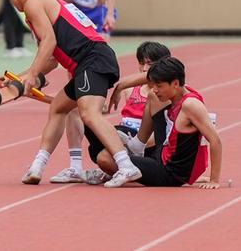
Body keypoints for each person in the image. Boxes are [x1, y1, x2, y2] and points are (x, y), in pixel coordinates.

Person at [3, 0, 142, 188]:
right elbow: (52, 58)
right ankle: (41, 167)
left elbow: (49, 42)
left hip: (93, 59)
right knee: (59, 107)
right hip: (88, 62)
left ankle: (126, 165)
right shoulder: (45, 1)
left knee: (89, 114)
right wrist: (22, 77)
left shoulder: (32, 3)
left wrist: (32, 75)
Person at [44, 0, 124, 183]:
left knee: (97, 67)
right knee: (77, 90)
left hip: (98, 21)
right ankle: (78, 153)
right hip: (77, 22)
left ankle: (99, 103)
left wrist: (109, 8)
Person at [86, 57, 223, 188]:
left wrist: (214, 179)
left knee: (104, 158)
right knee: (152, 97)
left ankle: (129, 168)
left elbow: (215, 140)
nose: (155, 89)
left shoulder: (191, 105)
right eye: (153, 85)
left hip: (170, 172)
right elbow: (148, 80)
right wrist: (120, 86)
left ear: (175, 83)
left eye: (159, 86)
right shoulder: (178, 91)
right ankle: (136, 147)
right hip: (163, 152)